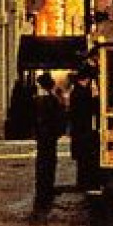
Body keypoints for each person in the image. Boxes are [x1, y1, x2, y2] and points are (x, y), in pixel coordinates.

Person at [32, 72, 67, 209]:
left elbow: (35, 120)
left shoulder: (38, 100)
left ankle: (43, 188)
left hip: (43, 136)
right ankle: (46, 188)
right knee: (49, 161)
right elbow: (59, 118)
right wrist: (58, 132)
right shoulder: (51, 100)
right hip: (49, 136)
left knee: (42, 162)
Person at [67, 68, 101, 195]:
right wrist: (95, 96)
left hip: (79, 130)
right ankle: (86, 183)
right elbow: (92, 108)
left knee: (82, 159)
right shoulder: (82, 92)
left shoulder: (76, 90)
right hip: (83, 131)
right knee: (86, 158)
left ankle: (82, 182)